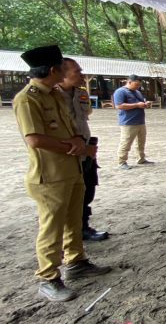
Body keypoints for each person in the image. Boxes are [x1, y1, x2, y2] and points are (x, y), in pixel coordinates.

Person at [13, 45, 110, 303]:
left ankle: (77, 262)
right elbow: (34, 139)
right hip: (50, 175)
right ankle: (48, 278)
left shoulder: (56, 95)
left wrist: (81, 144)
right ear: (54, 70)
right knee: (51, 228)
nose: (76, 73)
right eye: (68, 69)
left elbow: (72, 126)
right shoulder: (28, 99)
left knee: (74, 219)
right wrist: (73, 147)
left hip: (72, 169)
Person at [57, 58, 108, 241]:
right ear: (61, 73)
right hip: (66, 153)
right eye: (77, 71)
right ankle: (68, 234)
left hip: (86, 150)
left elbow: (84, 118)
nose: (81, 75)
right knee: (66, 198)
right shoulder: (52, 97)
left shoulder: (80, 94)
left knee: (87, 189)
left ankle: (83, 227)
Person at [113, 74, 152, 170]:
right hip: (128, 122)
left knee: (141, 142)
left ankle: (141, 158)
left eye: (139, 85)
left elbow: (139, 103)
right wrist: (137, 105)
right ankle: (121, 161)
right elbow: (119, 106)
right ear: (129, 82)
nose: (138, 87)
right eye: (136, 84)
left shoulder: (137, 92)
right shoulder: (120, 92)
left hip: (140, 121)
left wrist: (145, 104)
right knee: (126, 142)